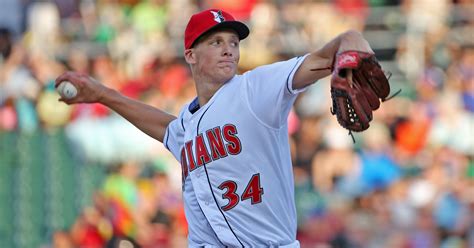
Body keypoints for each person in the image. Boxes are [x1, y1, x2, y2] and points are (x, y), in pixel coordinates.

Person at [56, 8, 374, 248]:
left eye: (234, 43)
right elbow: (167, 128)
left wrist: (350, 41)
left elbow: (323, 56)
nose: (229, 49)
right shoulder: (187, 124)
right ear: (190, 55)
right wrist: (102, 94)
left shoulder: (256, 89)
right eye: (216, 41)